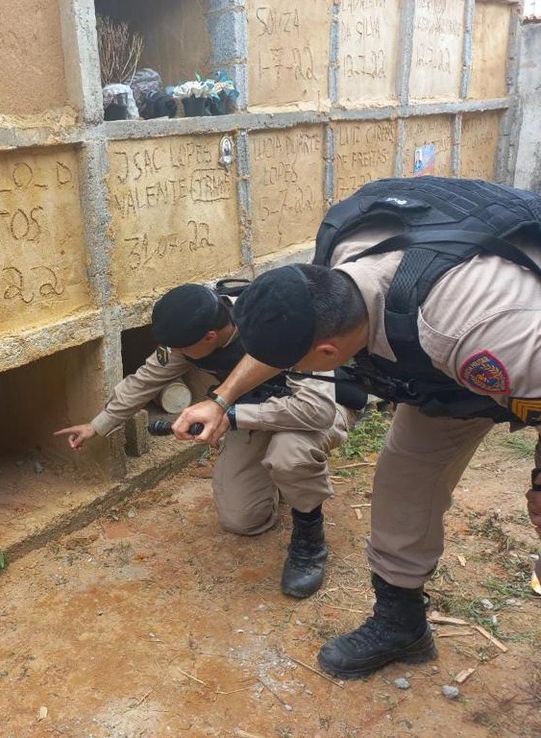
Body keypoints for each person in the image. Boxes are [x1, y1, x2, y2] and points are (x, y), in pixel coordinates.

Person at [172, 176, 541, 679]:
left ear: (328, 354)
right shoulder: (339, 266)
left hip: (516, 337)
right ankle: (400, 624)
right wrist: (222, 399)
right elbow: (288, 339)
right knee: (403, 480)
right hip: (449, 367)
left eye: (296, 365)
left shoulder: (474, 332)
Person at [55, 282, 364, 598]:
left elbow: (317, 411)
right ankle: (283, 481)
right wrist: (97, 425)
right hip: (255, 411)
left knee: (289, 454)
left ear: (210, 337)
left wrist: (231, 417)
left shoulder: (280, 324)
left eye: (180, 349)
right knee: (241, 519)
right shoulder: (192, 332)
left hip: (320, 408)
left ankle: (309, 540)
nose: (175, 354)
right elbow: (144, 381)